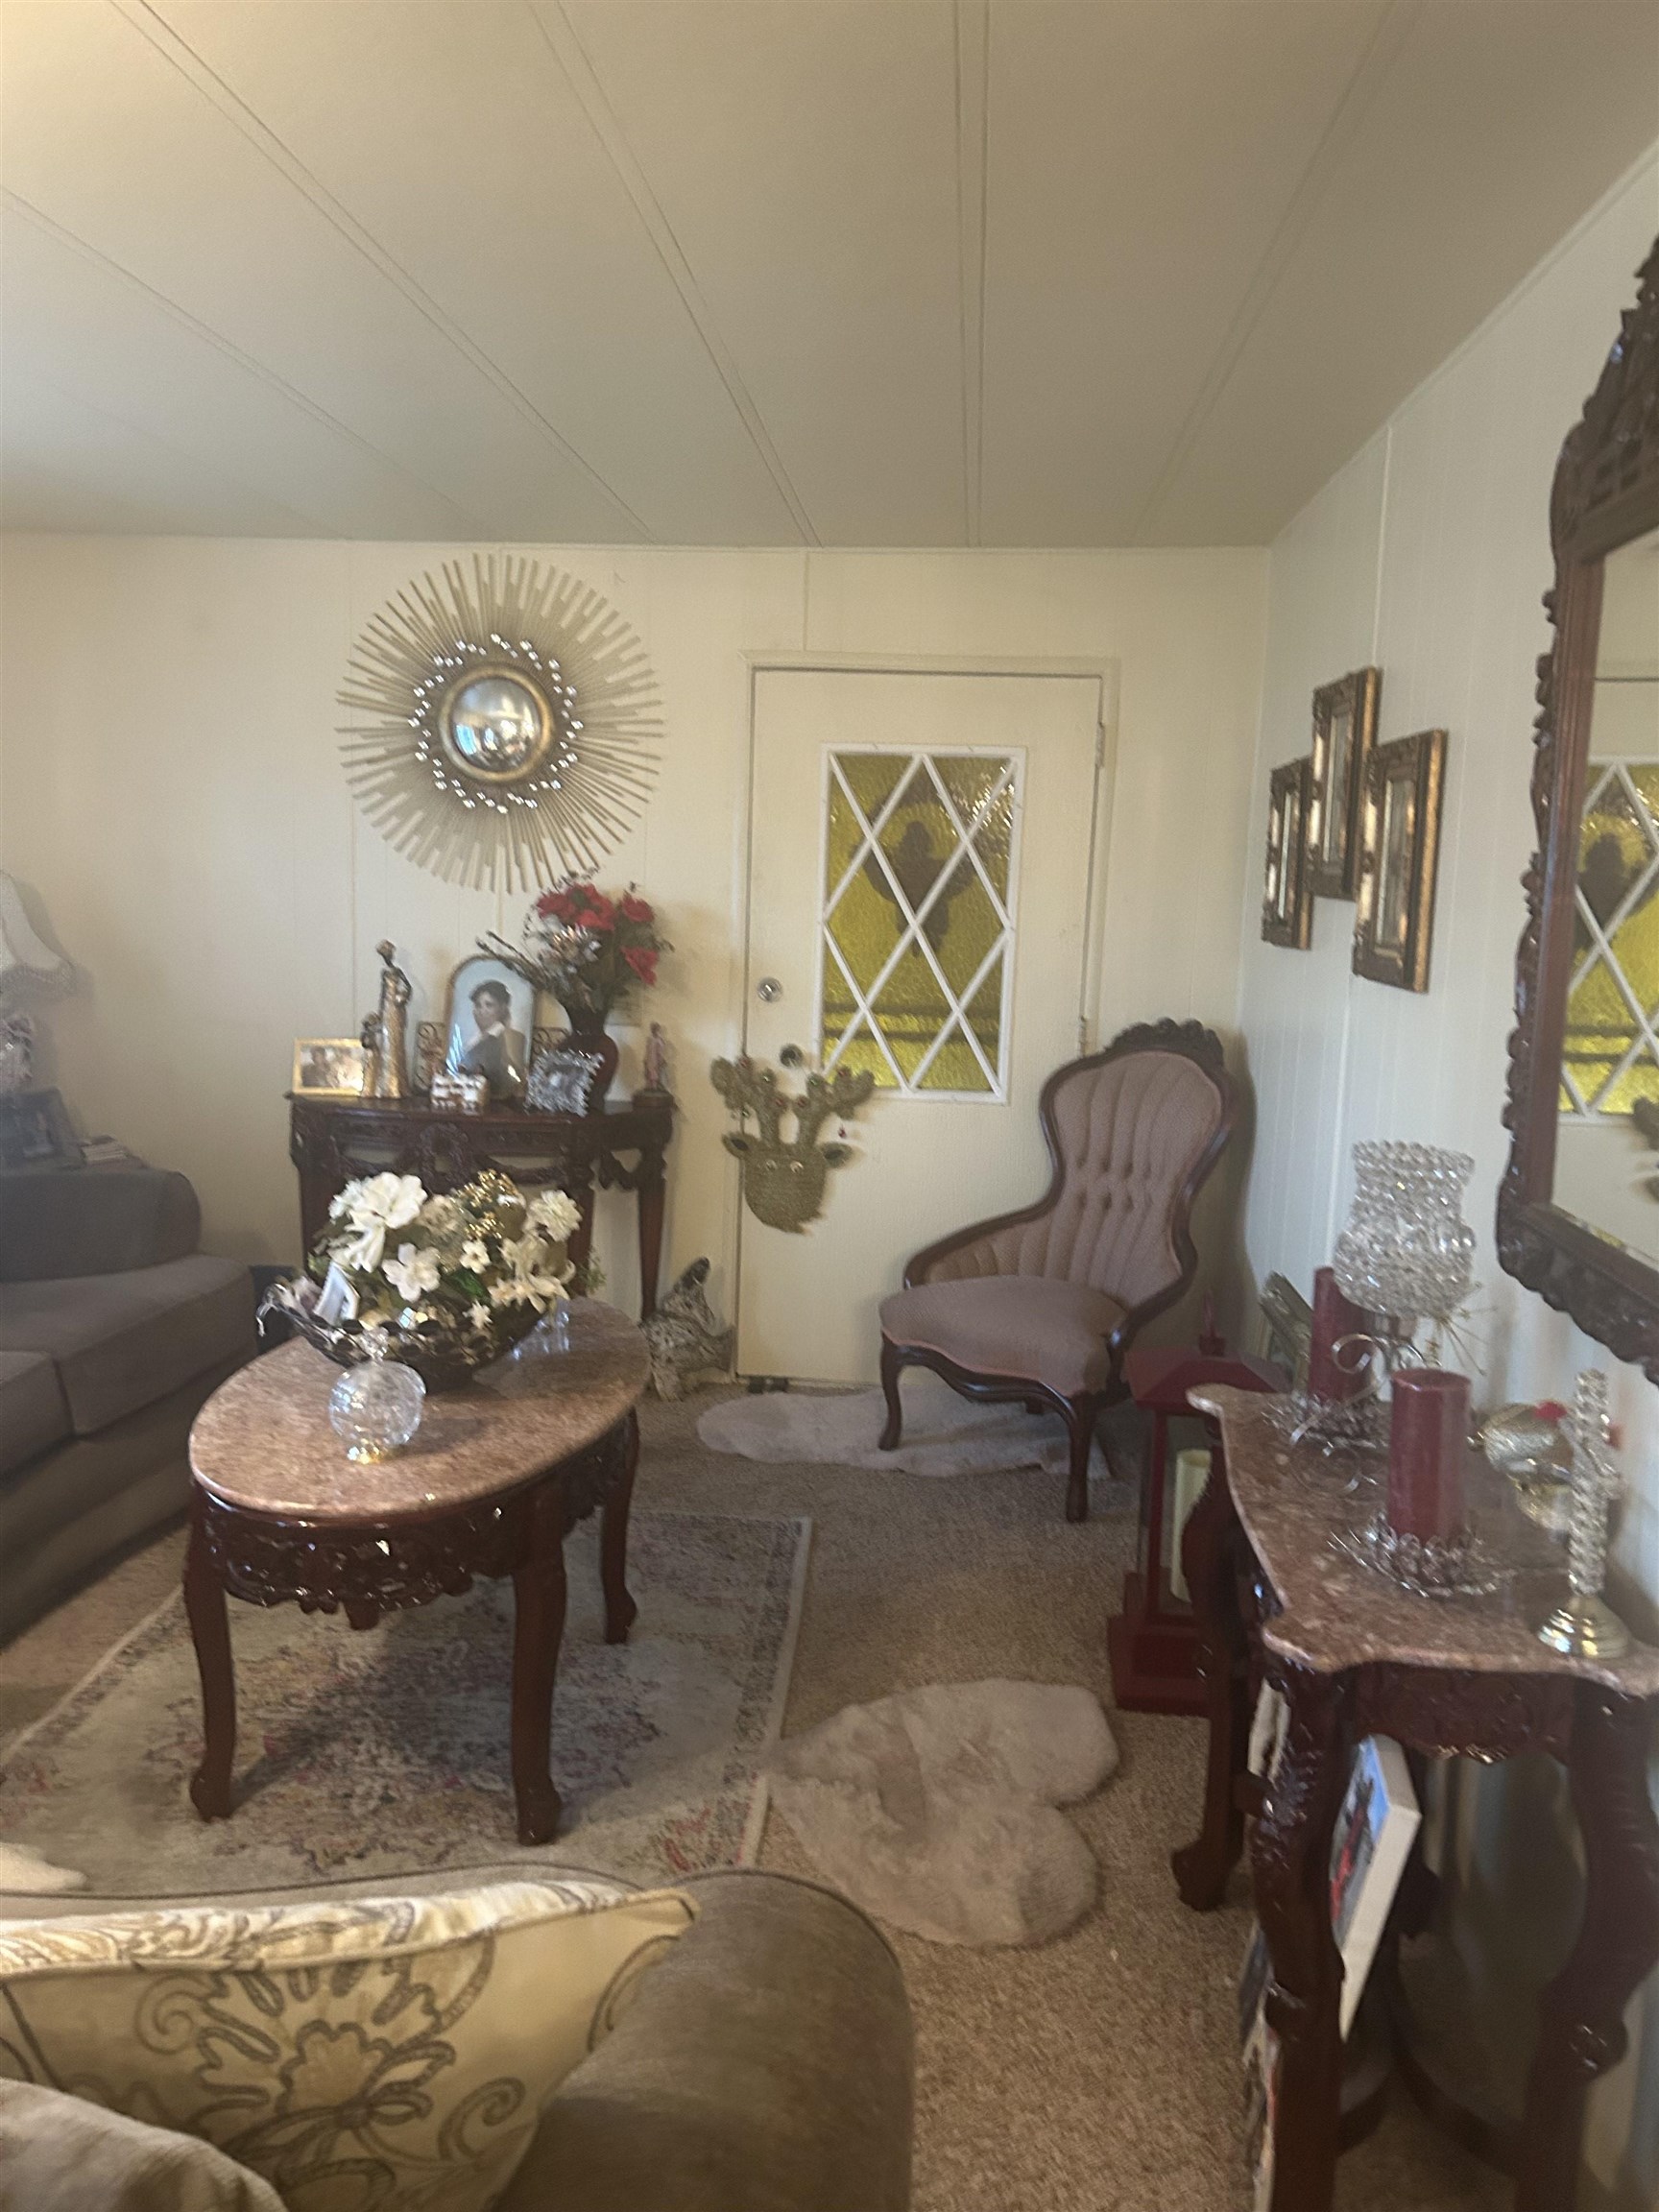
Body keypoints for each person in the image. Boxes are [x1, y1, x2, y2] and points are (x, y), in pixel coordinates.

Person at [459, 978, 526, 1098]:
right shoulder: (474, 1039)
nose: (481, 1011)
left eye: (489, 1005)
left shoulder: (511, 1038)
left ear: (503, 1008)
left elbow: (511, 1080)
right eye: (478, 1005)